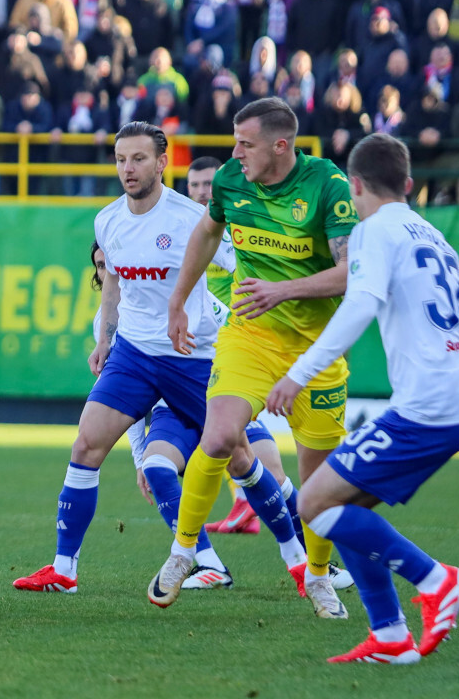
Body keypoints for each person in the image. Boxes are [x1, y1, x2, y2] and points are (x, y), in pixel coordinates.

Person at [265, 133, 459, 663]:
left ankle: (436, 580)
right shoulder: (433, 234)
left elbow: (358, 306)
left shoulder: (372, 231)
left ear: (354, 185)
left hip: (426, 404)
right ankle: (389, 634)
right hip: (455, 398)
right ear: (408, 185)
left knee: (312, 501)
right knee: (343, 501)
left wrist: (297, 374)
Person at [149, 98, 357, 619]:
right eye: (235, 142)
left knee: (317, 482)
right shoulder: (229, 180)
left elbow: (357, 271)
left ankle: (317, 575)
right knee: (218, 436)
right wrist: (177, 300)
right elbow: (206, 232)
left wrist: (284, 291)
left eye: (246, 144)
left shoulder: (327, 187)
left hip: (317, 348)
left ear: (280, 146)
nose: (235, 153)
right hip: (250, 335)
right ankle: (184, 553)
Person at [12, 122, 233, 595]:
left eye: (137, 159)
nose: (127, 169)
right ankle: (64, 570)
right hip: (133, 352)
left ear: (161, 163)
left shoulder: (192, 217)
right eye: (120, 159)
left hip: (191, 358)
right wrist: (105, 340)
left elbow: (241, 265)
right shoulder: (107, 219)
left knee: (244, 461)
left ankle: (307, 562)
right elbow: (112, 283)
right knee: (86, 445)